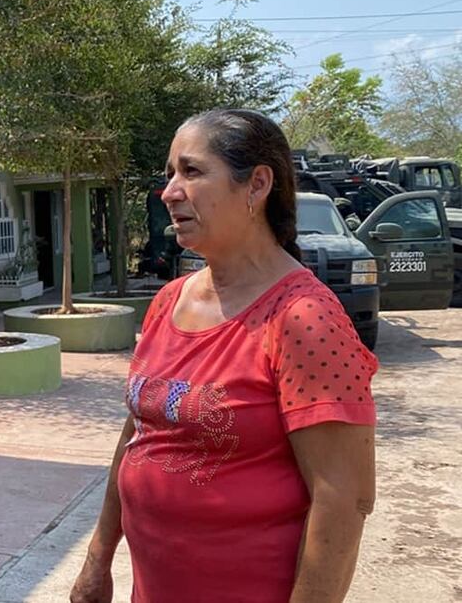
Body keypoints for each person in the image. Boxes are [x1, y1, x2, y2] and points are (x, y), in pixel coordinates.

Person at [70, 109, 377, 603]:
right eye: (169, 174)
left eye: (191, 172)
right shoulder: (170, 301)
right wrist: (97, 560)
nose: (169, 191)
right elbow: (139, 434)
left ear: (256, 185)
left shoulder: (303, 318)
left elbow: (344, 498)